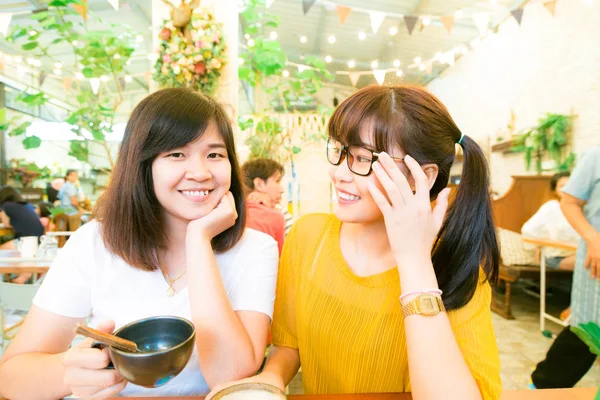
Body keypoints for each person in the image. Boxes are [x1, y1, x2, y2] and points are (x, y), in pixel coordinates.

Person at [208, 85, 501, 399]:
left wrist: (415, 262)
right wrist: (270, 378)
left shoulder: (453, 262)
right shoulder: (309, 237)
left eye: (362, 158)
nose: (339, 173)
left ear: (422, 176)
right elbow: (288, 345)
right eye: (338, 150)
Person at [0, 88, 279, 399]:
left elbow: (230, 379)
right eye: (176, 154)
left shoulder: (256, 249)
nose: (201, 173)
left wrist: (199, 241)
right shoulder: (94, 243)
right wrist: (68, 374)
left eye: (215, 154)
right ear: (143, 165)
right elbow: (10, 376)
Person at [530, 146, 600, 389]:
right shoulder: (595, 156)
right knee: (587, 330)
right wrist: (593, 239)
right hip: (595, 259)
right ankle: (541, 388)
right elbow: (569, 204)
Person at [522, 172, 579, 270]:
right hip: (557, 257)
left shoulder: (582, 209)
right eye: (562, 186)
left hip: (580, 253)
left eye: (570, 185)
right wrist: (539, 245)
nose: (567, 189)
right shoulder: (551, 207)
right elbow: (528, 230)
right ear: (555, 190)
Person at [242, 159, 287, 253]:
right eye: (277, 181)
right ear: (259, 184)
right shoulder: (275, 216)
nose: (282, 189)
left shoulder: (233, 212)